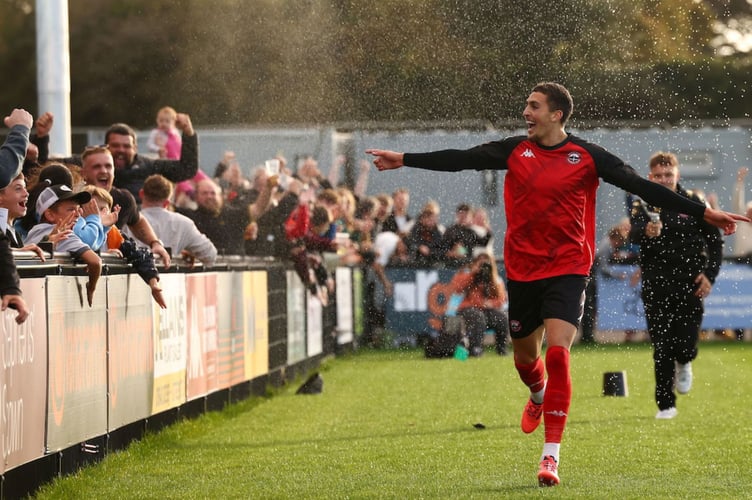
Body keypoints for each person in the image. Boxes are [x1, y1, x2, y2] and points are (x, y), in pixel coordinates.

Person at [366, 82, 748, 487]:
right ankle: (536, 395)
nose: (526, 112)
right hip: (523, 270)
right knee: (526, 363)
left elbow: (643, 186)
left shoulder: (587, 155)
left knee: (559, 355)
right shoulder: (515, 150)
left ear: (556, 114)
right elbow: (461, 158)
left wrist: (704, 213)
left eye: (533, 106)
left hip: (568, 268)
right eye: (527, 105)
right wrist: (403, 159)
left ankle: (551, 457)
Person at [629, 152, 724, 419]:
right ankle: (666, 404)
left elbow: (715, 242)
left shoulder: (694, 202)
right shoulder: (642, 204)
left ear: (677, 175)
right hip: (656, 285)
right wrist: (646, 231)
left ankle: (685, 362)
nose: (663, 179)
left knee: (685, 345)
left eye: (668, 175)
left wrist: (710, 275)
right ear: (650, 177)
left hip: (691, 284)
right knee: (661, 346)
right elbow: (633, 231)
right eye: (658, 176)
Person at [78, 146, 172, 268]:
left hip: (111, 273)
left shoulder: (123, 198)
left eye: (108, 166)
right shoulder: (73, 199)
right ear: (83, 173)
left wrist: (155, 243)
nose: (104, 171)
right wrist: (101, 254)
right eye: (97, 166)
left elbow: (138, 220)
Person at [82, 184, 166, 309]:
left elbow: (140, 255)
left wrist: (153, 284)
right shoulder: (74, 229)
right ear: (80, 211)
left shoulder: (114, 234)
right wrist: (104, 257)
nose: (99, 214)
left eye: (103, 209)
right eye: (92, 208)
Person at [25, 184, 101, 307]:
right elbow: (95, 262)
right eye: (71, 209)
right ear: (50, 215)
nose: (78, 214)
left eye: (78, 209)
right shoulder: (64, 235)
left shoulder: (34, 231)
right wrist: (91, 287)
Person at [139, 174, 217, 267]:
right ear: (167, 202)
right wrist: (189, 253)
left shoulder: (127, 221)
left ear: (141, 194)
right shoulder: (184, 223)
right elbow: (210, 255)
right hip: (171, 278)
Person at [448, 253, 509, 356]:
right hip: (468, 308)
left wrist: (490, 302)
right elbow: (457, 289)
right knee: (478, 317)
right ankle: (476, 348)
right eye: (480, 263)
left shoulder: (495, 278)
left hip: (485, 310)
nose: (483, 267)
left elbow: (501, 299)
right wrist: (473, 273)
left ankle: (502, 349)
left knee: (502, 318)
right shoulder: (466, 274)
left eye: (485, 263)